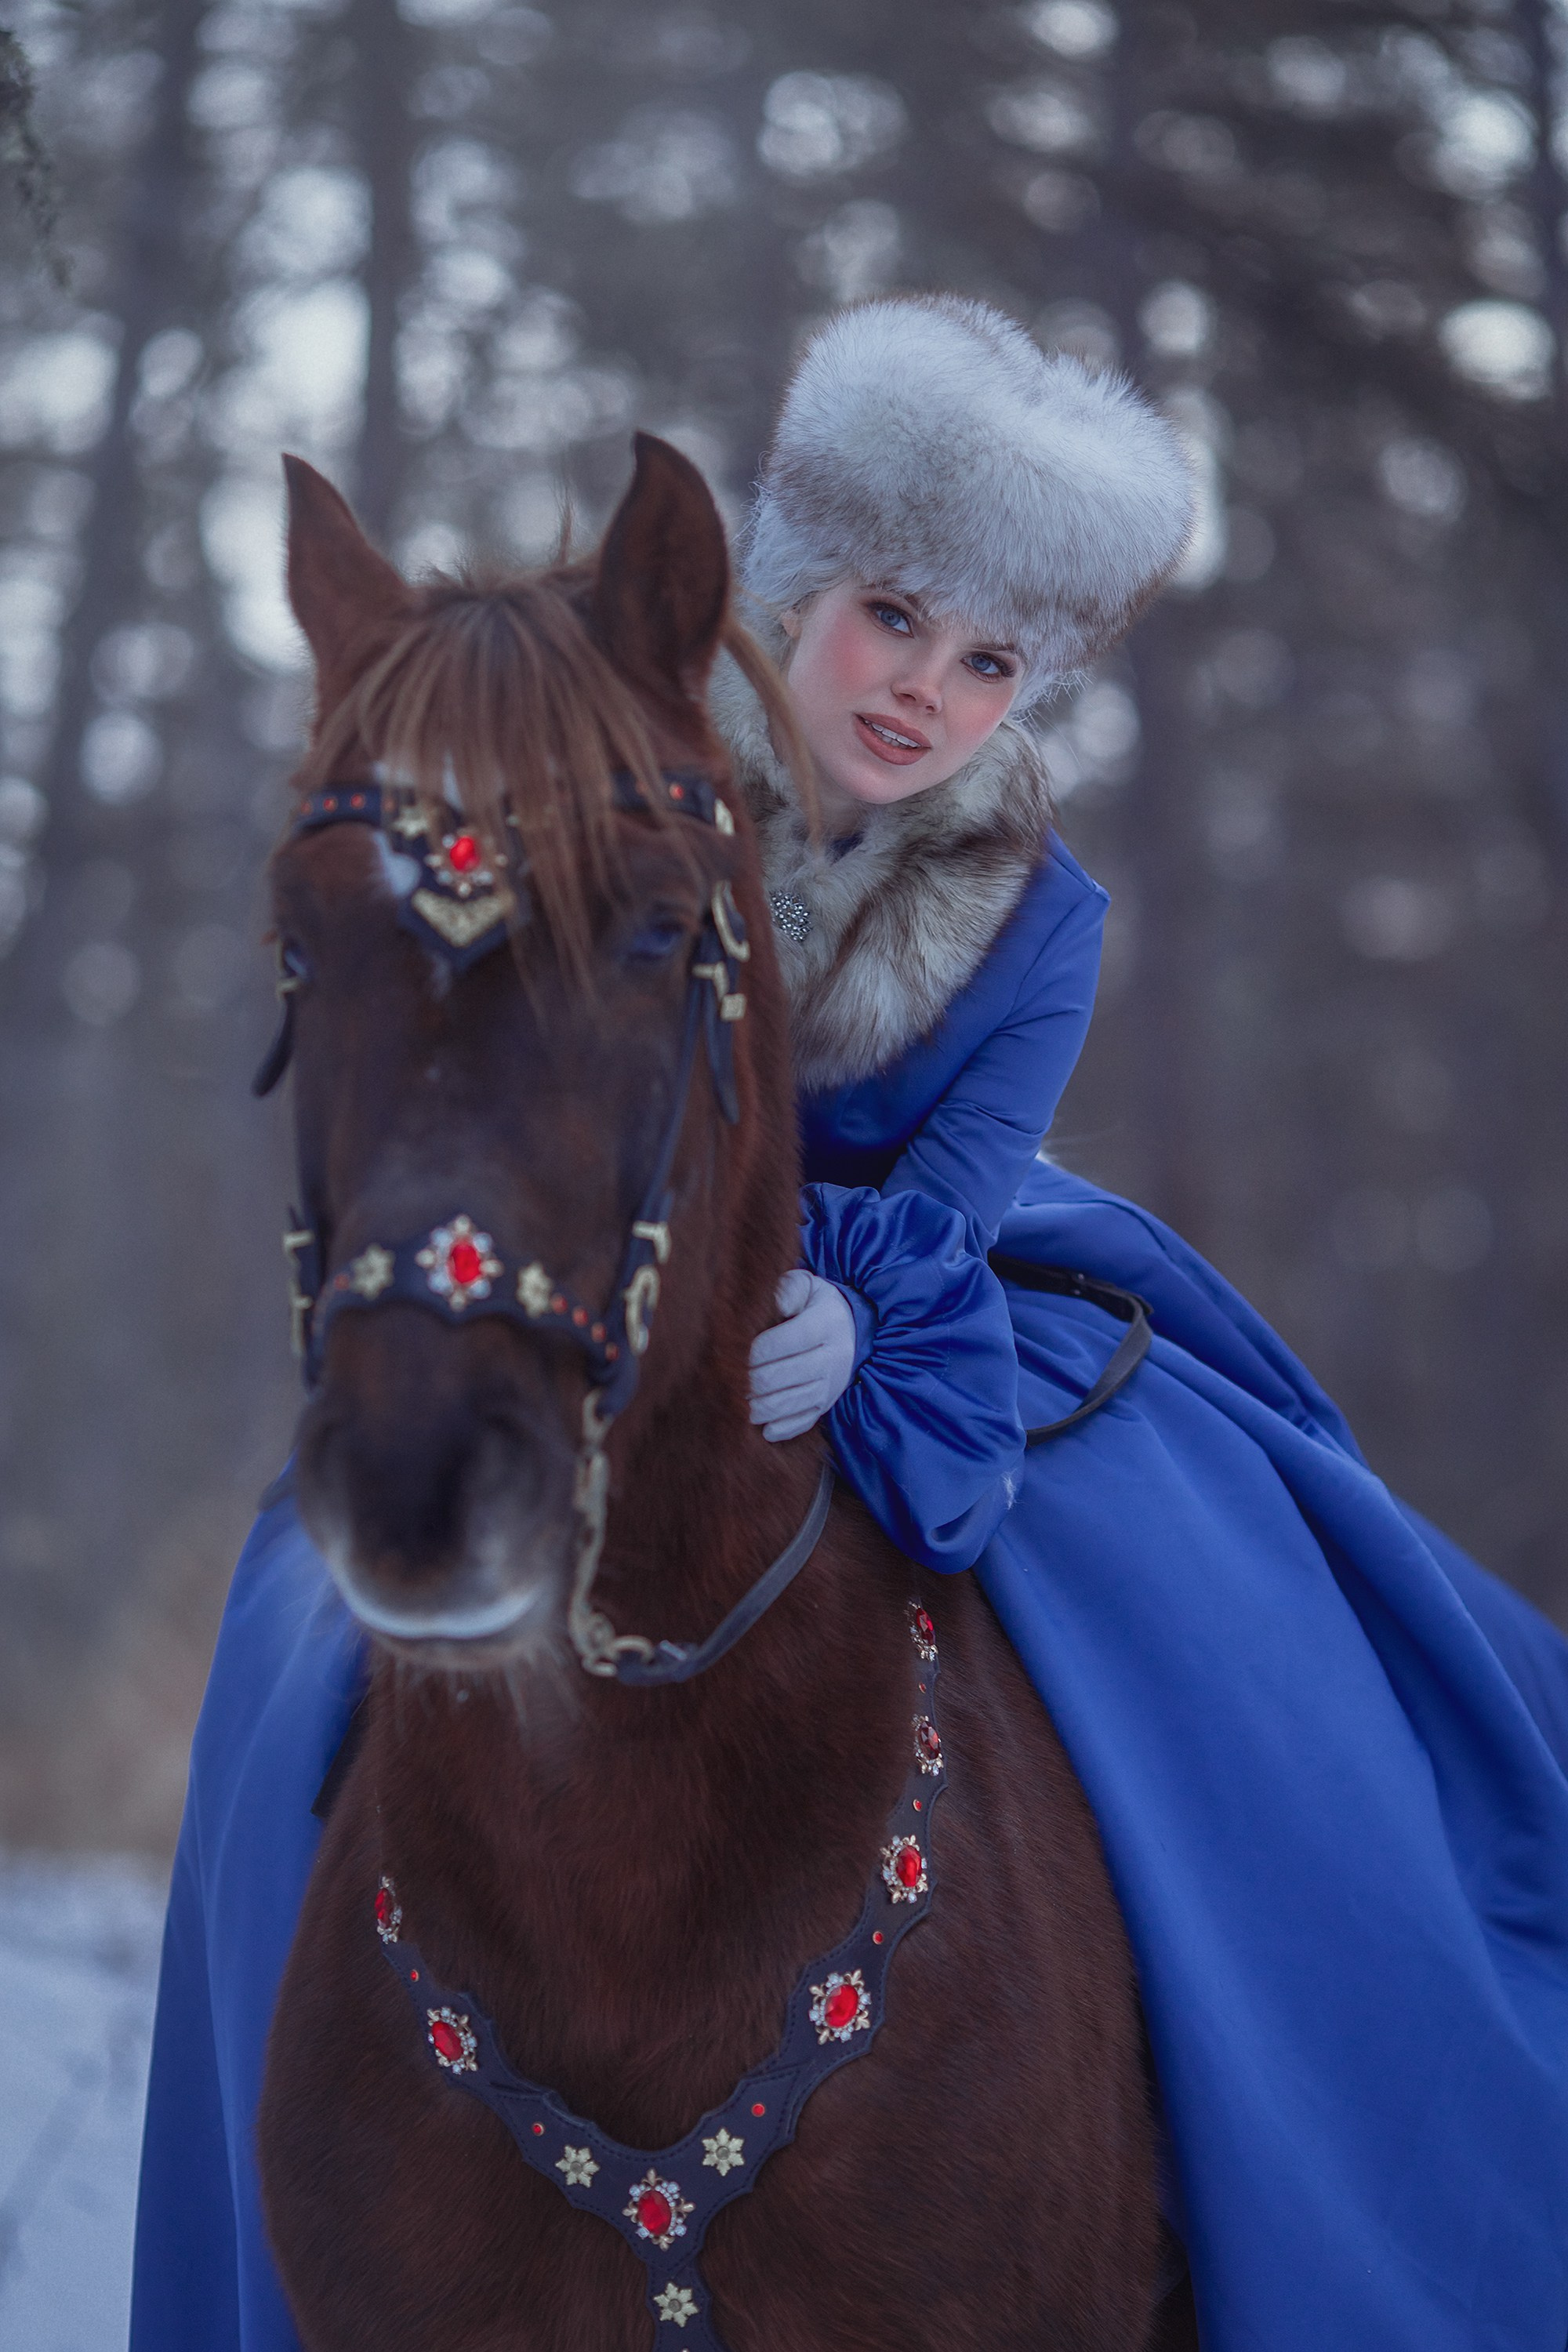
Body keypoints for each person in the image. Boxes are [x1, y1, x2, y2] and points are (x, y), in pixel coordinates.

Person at [132, 297, 1568, 2352]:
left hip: (902, 1293)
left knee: (1208, 1621)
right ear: (798, 585)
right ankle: (270, 2210)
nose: (927, 691)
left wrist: (850, 1310)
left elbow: (971, 1178)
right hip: (564, 1272)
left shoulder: (1032, 906)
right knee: (292, 1658)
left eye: (994, 662)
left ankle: (1300, 2104)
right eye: (898, 618)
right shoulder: (608, 756)